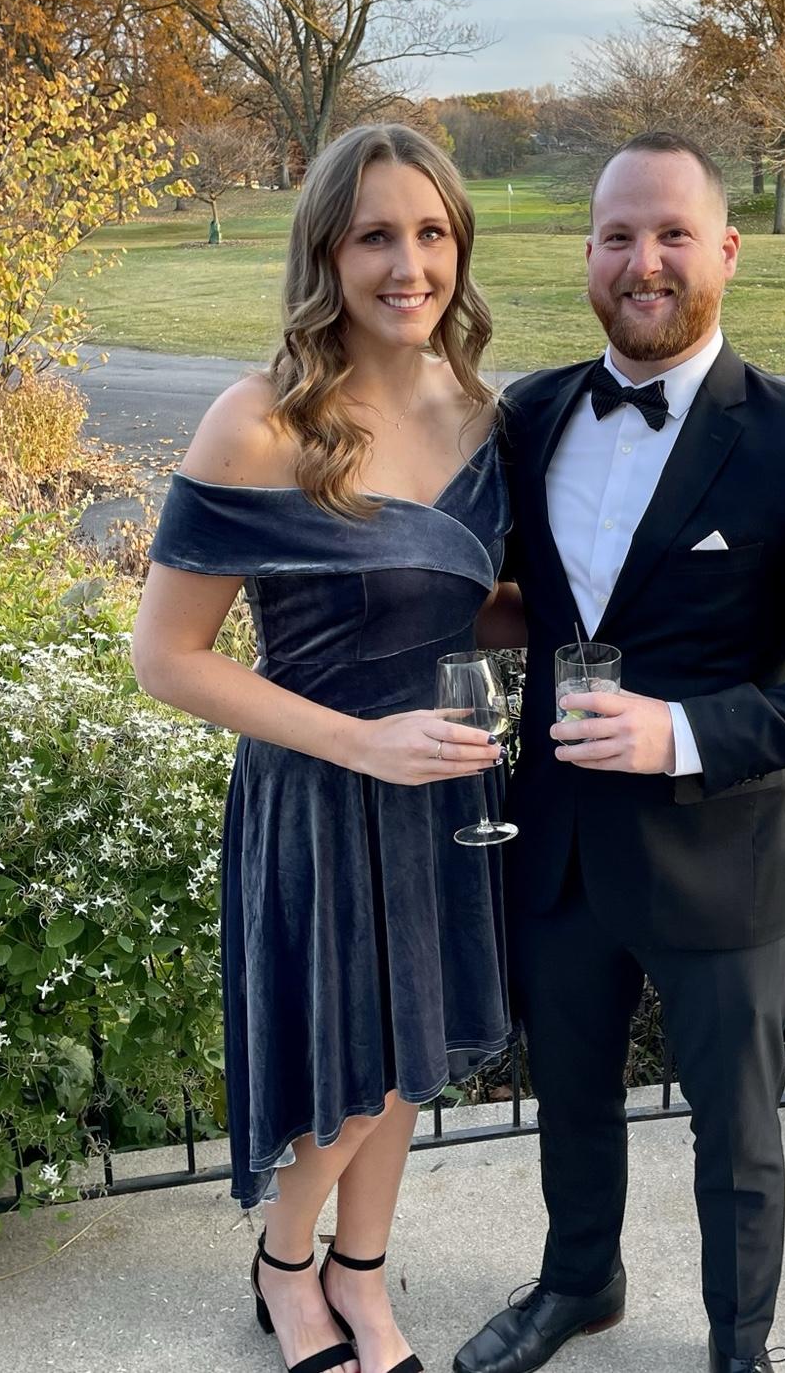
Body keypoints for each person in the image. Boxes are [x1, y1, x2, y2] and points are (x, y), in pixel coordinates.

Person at [453, 132, 785, 1373]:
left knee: (736, 1131)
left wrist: (680, 730)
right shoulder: (532, 414)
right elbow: (540, 602)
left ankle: (738, 1344)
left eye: (672, 234)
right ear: (588, 255)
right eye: (618, 236)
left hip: (723, 859)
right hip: (560, 846)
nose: (644, 262)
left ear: (726, 250)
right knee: (571, 1095)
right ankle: (579, 1282)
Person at [133, 123, 518, 1373]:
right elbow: (168, 657)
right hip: (320, 785)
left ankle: (364, 1273)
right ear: (325, 255)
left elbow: (456, 602)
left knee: (411, 1056)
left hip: (445, 785)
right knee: (349, 1059)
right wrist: (361, 743)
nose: (410, 266)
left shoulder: (483, 415)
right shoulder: (260, 422)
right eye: (374, 237)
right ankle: (287, 1268)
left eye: (432, 233)